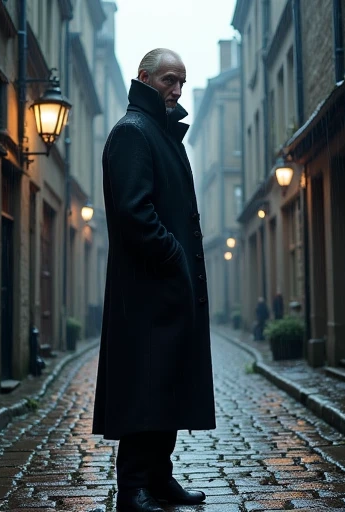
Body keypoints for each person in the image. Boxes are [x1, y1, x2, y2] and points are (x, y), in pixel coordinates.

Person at [92, 48, 216, 512]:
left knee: (167, 384)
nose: (177, 90)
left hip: (166, 290)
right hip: (145, 293)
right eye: (169, 80)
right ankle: (134, 488)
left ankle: (160, 480)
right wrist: (174, 255)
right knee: (144, 387)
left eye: (182, 82)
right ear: (144, 78)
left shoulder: (162, 135)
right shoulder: (133, 132)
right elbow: (133, 211)